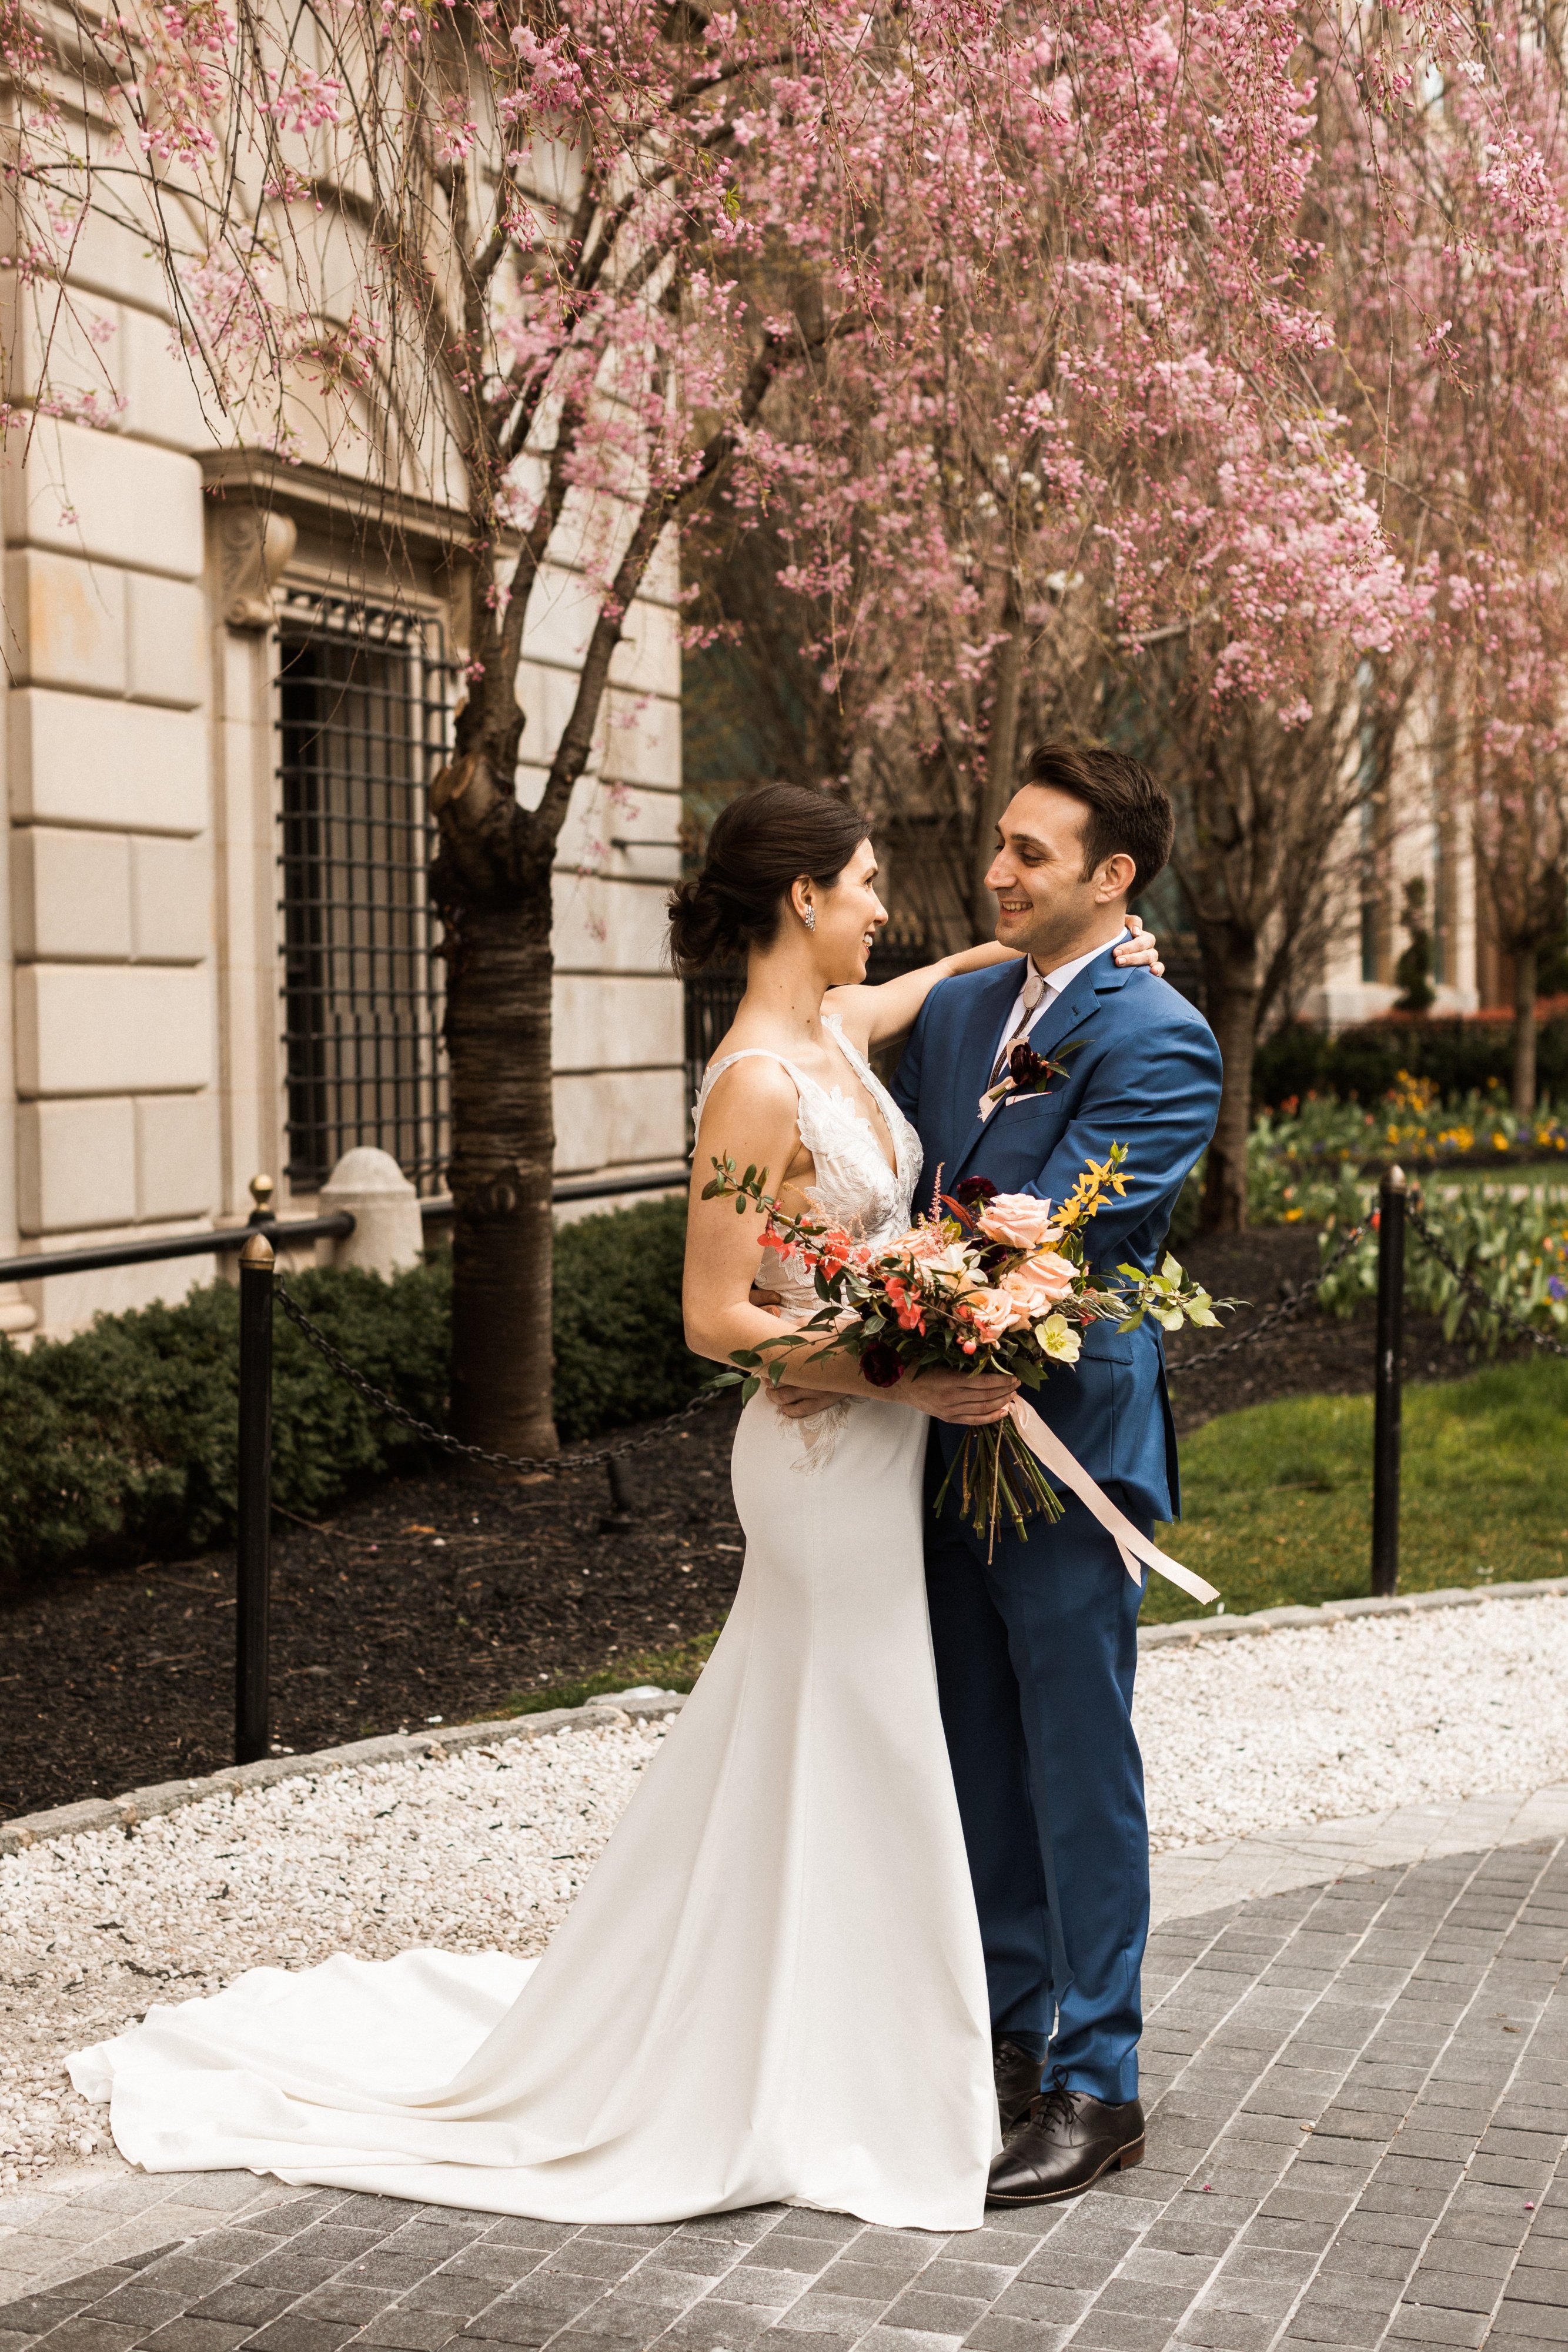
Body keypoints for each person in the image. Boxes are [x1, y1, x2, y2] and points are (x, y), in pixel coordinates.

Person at [66, 777, 1168, 2231]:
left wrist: (1084, 952)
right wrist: (893, 1373)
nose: (887, 905)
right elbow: (713, 1317)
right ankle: (828, 2047)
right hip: (825, 1455)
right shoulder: (755, 1082)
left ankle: (884, 2027)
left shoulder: (839, 1027)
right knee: (861, 1730)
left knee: (862, 1737)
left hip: (889, 1443)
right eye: (861, 882)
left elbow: (956, 979)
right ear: (801, 898)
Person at [888, 740, 1223, 2204]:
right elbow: (900, 1172)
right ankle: (1007, 2043)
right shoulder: (960, 1008)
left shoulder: (1159, 1035)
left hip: (1065, 1447)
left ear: (1113, 874)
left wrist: (902, 1289)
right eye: (1000, 844)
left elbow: (1062, 1239)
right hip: (930, 1438)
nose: (997, 870)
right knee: (974, 1752)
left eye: (1030, 853)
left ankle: (1101, 2080)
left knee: (1076, 1768)